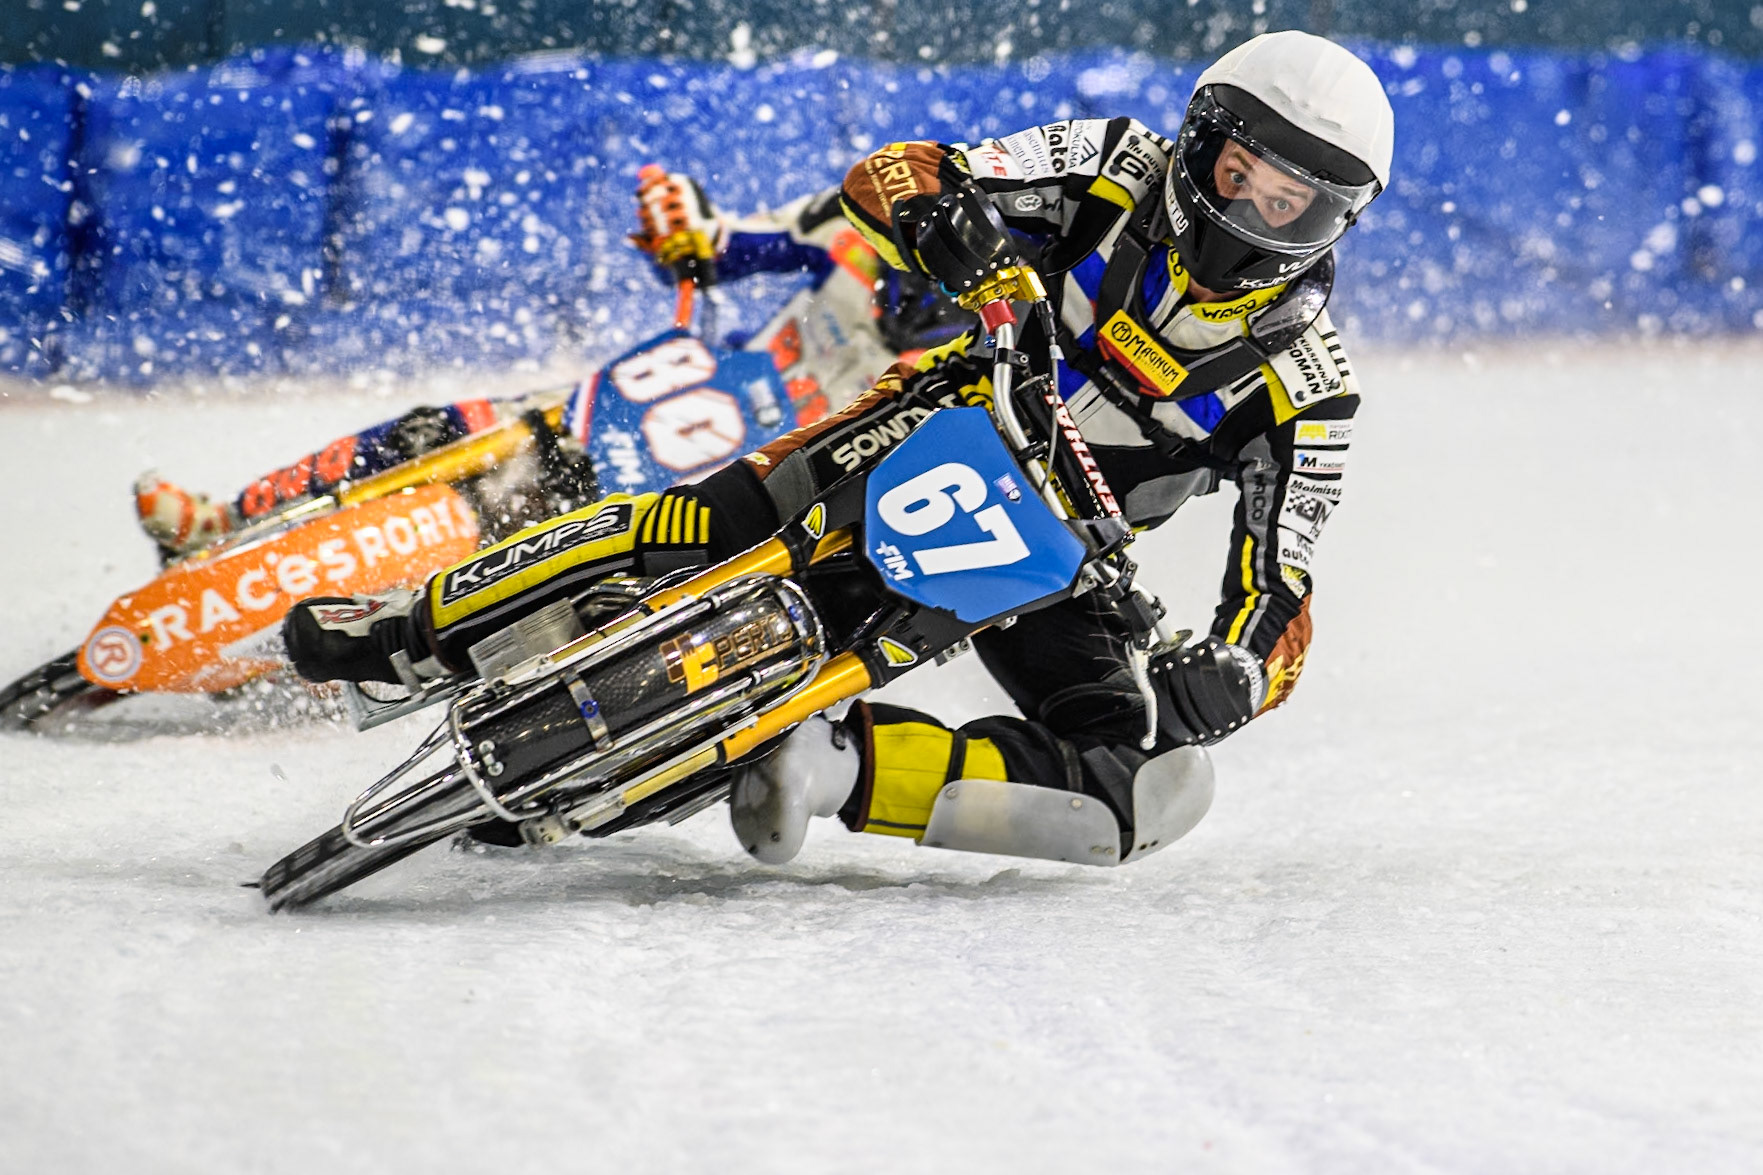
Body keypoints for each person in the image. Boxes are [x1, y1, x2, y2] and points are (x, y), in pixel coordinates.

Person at [284, 31, 1394, 869]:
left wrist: (1237, 675)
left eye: (1291, 202)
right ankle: (403, 630)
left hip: (1067, 558)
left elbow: (1280, 585)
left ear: (1333, 224)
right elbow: (897, 170)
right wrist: (970, 251)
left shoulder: (1312, 390)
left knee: (1149, 792)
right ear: (1197, 141)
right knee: (697, 523)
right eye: (1238, 169)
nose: (1249, 211)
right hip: (947, 417)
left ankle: (830, 766)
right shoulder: (1110, 162)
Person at [133, 167, 965, 561]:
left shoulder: (974, 362)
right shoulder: (848, 229)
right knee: (454, 425)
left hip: (755, 485)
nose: (903, 302)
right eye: (901, 270)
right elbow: (710, 245)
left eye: (935, 302)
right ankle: (230, 519)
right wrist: (678, 220)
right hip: (665, 400)